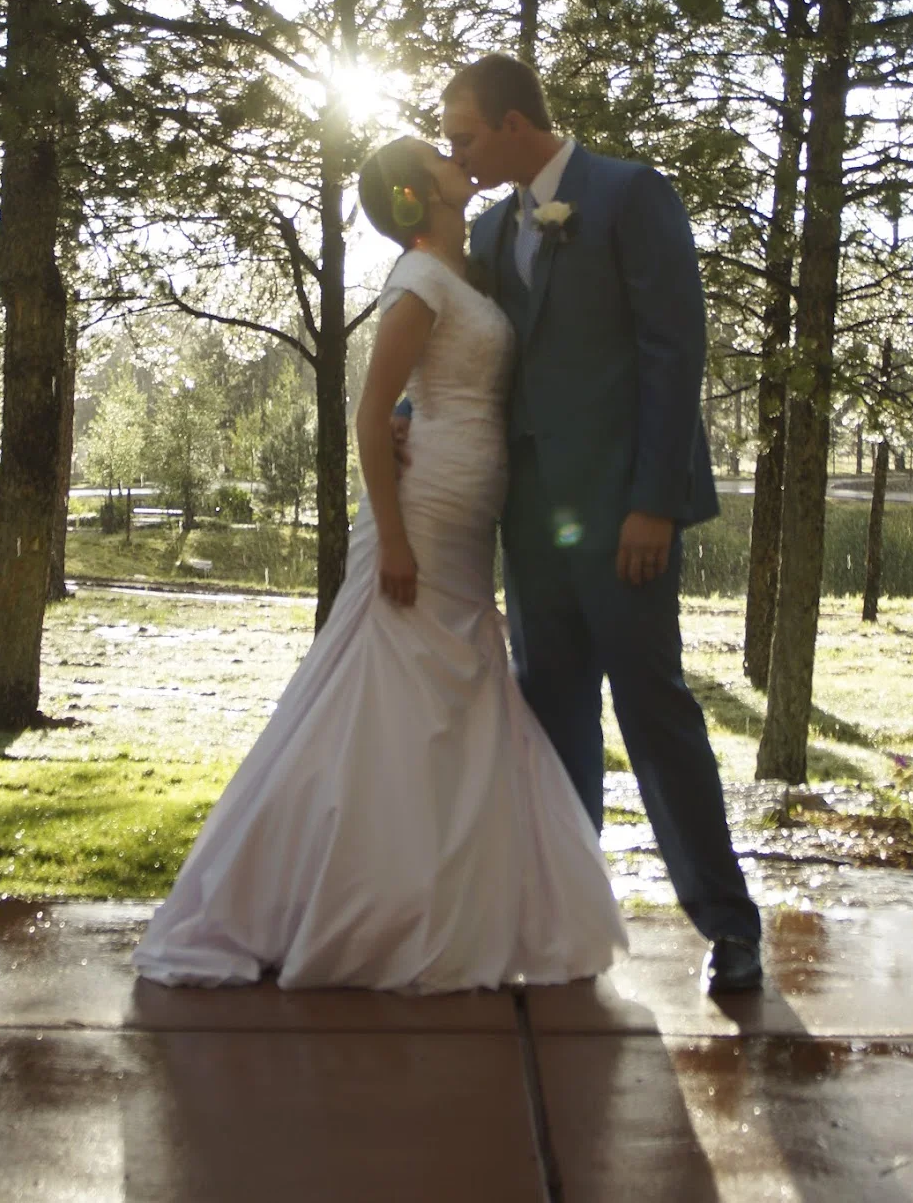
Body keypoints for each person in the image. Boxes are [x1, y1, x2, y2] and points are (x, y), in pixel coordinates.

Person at [133, 135, 626, 991]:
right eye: (438, 157)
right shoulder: (419, 278)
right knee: (379, 696)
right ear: (415, 194)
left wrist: (411, 414)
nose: (454, 159)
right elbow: (370, 413)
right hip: (422, 520)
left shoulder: (465, 276)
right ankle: (325, 897)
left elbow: (426, 389)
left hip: (468, 521)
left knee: (457, 696)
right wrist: (392, 536)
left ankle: (448, 896)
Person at [439, 54, 762, 994]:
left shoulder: (630, 194)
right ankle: (571, 923)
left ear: (510, 122)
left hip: (626, 513)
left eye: (464, 136)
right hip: (532, 522)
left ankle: (728, 923)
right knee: (552, 713)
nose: (459, 154)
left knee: (652, 706)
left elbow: (674, 350)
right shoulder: (494, 228)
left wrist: (654, 501)